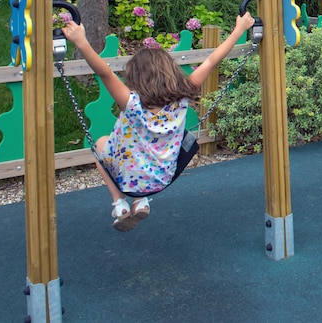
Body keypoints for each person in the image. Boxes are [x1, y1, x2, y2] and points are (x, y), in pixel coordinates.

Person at [62, 12, 255, 231]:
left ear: (135, 78)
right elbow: (212, 60)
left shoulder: (131, 103)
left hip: (128, 179)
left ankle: (119, 203)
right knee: (134, 152)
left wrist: (81, 42)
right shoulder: (183, 97)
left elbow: (105, 73)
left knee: (100, 144)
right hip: (162, 177)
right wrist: (239, 30)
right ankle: (140, 202)